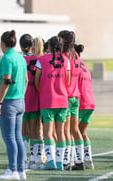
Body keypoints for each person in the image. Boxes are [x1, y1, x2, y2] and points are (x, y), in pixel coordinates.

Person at [0, 30, 28, 180]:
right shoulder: (21, 58)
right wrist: (20, 94)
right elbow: (26, 80)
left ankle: (12, 170)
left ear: (3, 43)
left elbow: (6, 80)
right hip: (21, 101)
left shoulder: (7, 58)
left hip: (9, 103)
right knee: (18, 138)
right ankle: (21, 171)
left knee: (9, 138)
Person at [34, 36, 70, 171]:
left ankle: (51, 162)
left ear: (48, 46)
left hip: (47, 100)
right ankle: (60, 163)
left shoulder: (41, 60)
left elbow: (37, 80)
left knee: (48, 132)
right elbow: (67, 81)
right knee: (60, 132)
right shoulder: (66, 60)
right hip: (63, 100)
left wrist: (43, 91)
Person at [58, 30, 85, 170]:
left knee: (66, 130)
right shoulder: (76, 56)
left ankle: (67, 161)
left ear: (64, 41)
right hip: (76, 97)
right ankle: (80, 161)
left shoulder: (63, 57)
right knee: (75, 130)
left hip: (66, 97)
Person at [19, 33, 44, 170]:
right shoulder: (38, 59)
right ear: (32, 46)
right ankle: (37, 159)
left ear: (20, 46)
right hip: (35, 95)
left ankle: (22, 160)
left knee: (23, 131)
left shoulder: (18, 59)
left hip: (22, 96)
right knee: (36, 130)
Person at [75, 44, 95, 169]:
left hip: (81, 102)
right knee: (82, 132)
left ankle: (77, 160)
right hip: (90, 102)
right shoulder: (85, 65)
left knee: (73, 132)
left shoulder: (73, 65)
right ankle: (88, 160)